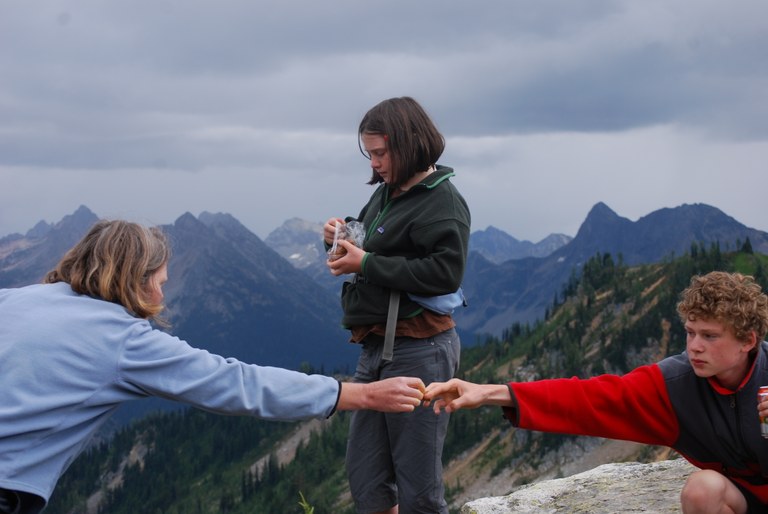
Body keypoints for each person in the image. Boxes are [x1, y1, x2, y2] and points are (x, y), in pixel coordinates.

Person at [0, 220, 426, 514]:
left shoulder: (14, 299)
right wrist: (364, 394)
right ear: (134, 278)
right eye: (160, 283)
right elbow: (237, 384)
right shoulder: (123, 340)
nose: (161, 298)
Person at [424, 271, 768, 514]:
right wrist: (490, 393)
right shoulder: (676, 385)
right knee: (702, 490)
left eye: (709, 336)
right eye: (690, 332)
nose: (694, 346)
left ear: (747, 341)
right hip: (739, 497)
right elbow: (589, 398)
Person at [324, 96, 471, 514]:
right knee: (367, 479)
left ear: (407, 144)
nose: (373, 163)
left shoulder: (443, 203)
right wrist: (340, 238)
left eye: (380, 153)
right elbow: (375, 242)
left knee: (418, 487)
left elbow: (446, 273)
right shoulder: (389, 194)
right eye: (369, 153)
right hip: (376, 349)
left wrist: (365, 262)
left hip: (420, 350)